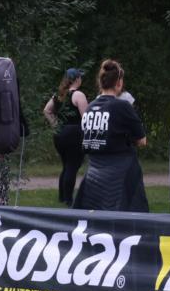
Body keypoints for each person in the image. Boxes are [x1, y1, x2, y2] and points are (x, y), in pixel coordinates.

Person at [72, 60, 148, 212]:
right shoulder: (122, 106)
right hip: (120, 174)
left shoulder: (90, 107)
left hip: (93, 174)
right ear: (119, 83)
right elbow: (142, 141)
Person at [43, 68, 89, 206]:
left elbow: (46, 110)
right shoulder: (78, 95)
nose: (81, 79)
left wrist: (56, 125)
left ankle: (62, 197)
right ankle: (69, 199)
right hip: (74, 134)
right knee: (72, 166)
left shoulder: (59, 94)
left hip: (59, 134)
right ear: (76, 79)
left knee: (66, 166)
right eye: (80, 77)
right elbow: (86, 118)